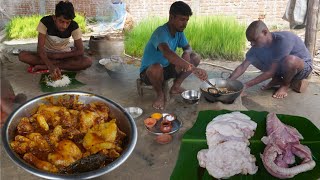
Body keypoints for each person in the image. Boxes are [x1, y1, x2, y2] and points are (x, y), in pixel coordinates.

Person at [139, 1, 208, 110]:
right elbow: (167, 53)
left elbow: (188, 47)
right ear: (171, 17)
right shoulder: (160, 32)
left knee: (195, 57)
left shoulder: (179, 32)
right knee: (156, 67)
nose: (185, 24)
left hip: (167, 68)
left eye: (186, 20)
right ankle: (160, 95)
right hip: (149, 73)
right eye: (181, 19)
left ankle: (175, 87)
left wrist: (186, 53)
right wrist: (191, 68)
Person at [229, 20, 313, 99]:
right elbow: (243, 66)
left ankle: (285, 85)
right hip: (282, 68)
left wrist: (245, 86)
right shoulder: (258, 45)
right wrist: (227, 82)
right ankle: (277, 79)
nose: (252, 44)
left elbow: (270, 72)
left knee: (290, 60)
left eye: (254, 40)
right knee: (253, 57)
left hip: (302, 69)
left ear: (265, 32)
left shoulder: (284, 40)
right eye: (250, 41)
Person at [19, 1, 92, 80]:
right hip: (47, 54)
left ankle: (46, 66)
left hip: (64, 54)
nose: (64, 26)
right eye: (61, 21)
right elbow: (40, 49)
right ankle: (54, 65)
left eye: (68, 22)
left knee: (87, 61)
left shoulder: (74, 26)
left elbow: (80, 50)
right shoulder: (45, 22)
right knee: (22, 56)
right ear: (54, 17)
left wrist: (58, 56)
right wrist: (50, 62)